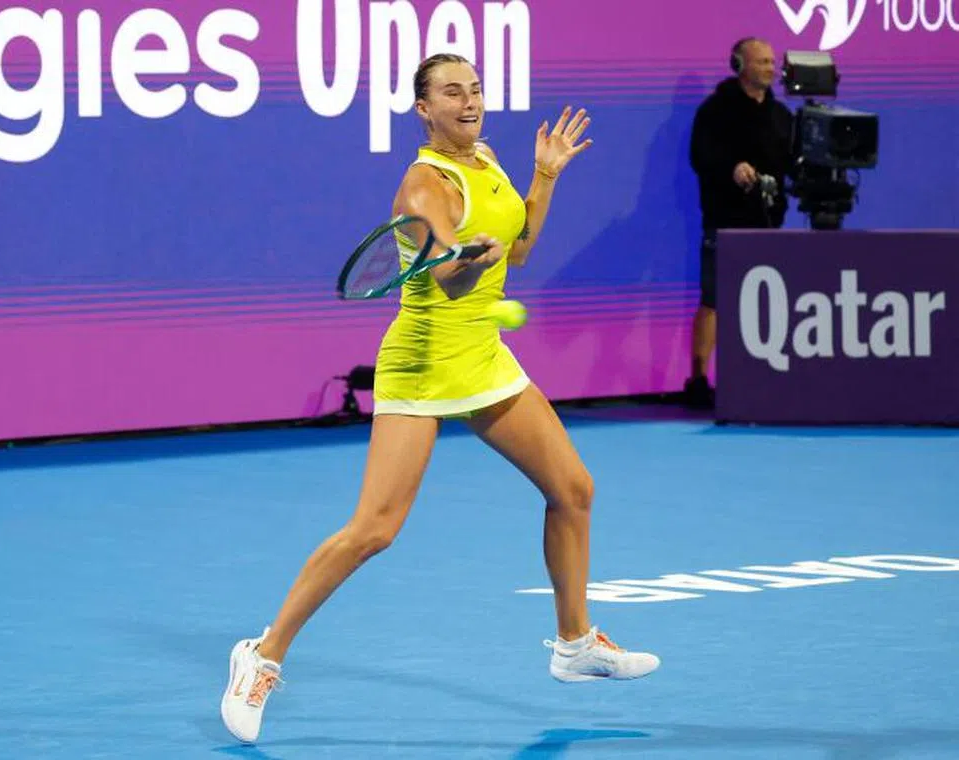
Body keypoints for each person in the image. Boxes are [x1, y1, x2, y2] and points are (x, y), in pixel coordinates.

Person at [220, 52, 660, 744]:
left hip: (481, 356)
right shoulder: (424, 186)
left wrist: (544, 177)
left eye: (475, 89)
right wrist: (471, 258)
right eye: (452, 93)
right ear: (423, 109)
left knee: (573, 489)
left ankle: (575, 644)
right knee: (374, 530)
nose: (469, 101)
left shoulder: (486, 160)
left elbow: (518, 252)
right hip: (424, 363)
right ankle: (262, 654)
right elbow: (452, 281)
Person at [685, 37, 794, 409]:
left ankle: (762, 375)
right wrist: (732, 168)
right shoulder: (716, 110)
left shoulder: (782, 117)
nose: (770, 67)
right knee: (713, 299)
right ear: (739, 65)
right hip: (725, 222)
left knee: (766, 302)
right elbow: (701, 156)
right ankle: (699, 379)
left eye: (772, 61)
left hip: (768, 224)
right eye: (762, 61)